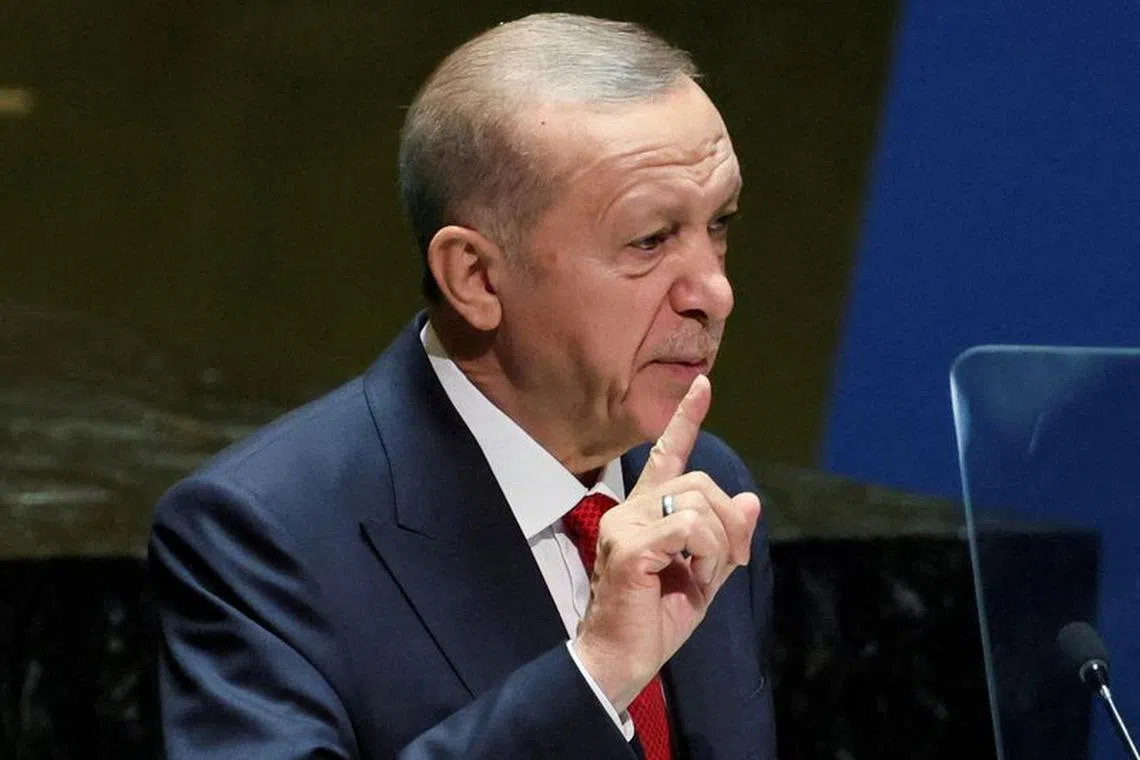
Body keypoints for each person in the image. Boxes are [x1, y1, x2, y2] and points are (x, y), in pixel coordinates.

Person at [150, 12, 776, 760]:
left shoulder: (708, 486)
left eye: (721, 224)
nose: (714, 290)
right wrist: (596, 673)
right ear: (476, 278)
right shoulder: (262, 535)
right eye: (650, 239)